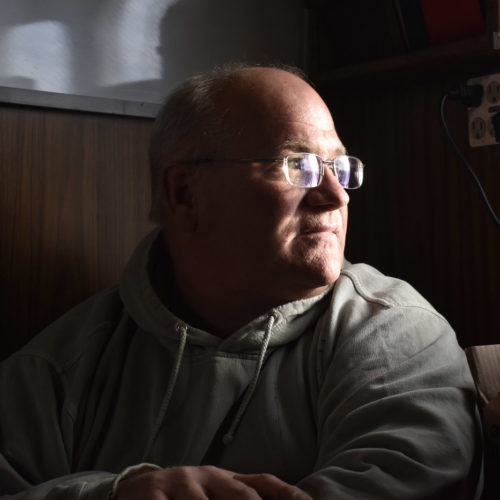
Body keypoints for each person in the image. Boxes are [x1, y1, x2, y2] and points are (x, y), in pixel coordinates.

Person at [0, 64, 482, 499]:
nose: (335, 196)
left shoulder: (396, 333)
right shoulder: (58, 367)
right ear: (185, 193)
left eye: (339, 167)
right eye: (299, 166)